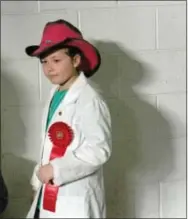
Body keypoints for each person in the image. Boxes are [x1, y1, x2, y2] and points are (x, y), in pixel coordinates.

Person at [25, 19, 112, 218]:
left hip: (74, 198)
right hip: (47, 194)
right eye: (44, 61)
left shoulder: (90, 100)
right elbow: (48, 147)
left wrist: (56, 170)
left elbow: (98, 150)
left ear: (75, 60)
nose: (49, 68)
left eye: (56, 60)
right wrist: (37, 184)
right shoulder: (55, 94)